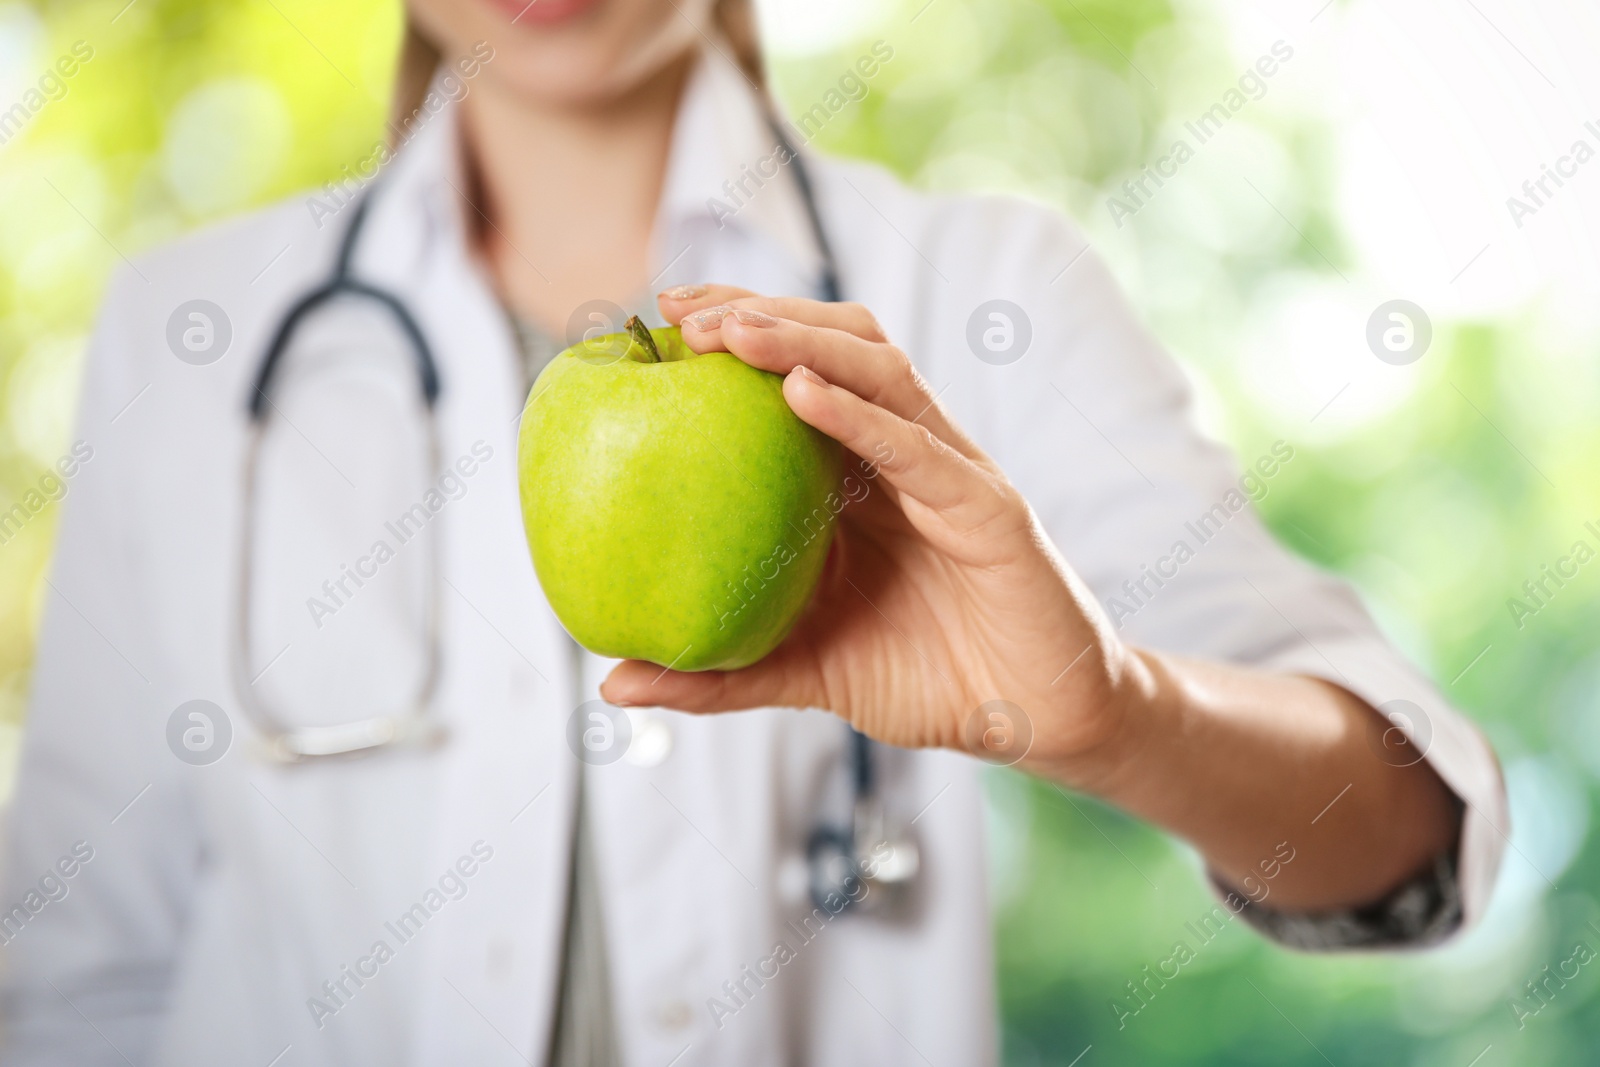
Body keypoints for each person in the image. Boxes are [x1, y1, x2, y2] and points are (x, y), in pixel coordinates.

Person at [0, 0, 1506, 1063]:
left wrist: (1120, 716)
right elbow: (76, 975)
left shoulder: (984, 288)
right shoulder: (191, 340)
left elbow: (1403, 834)